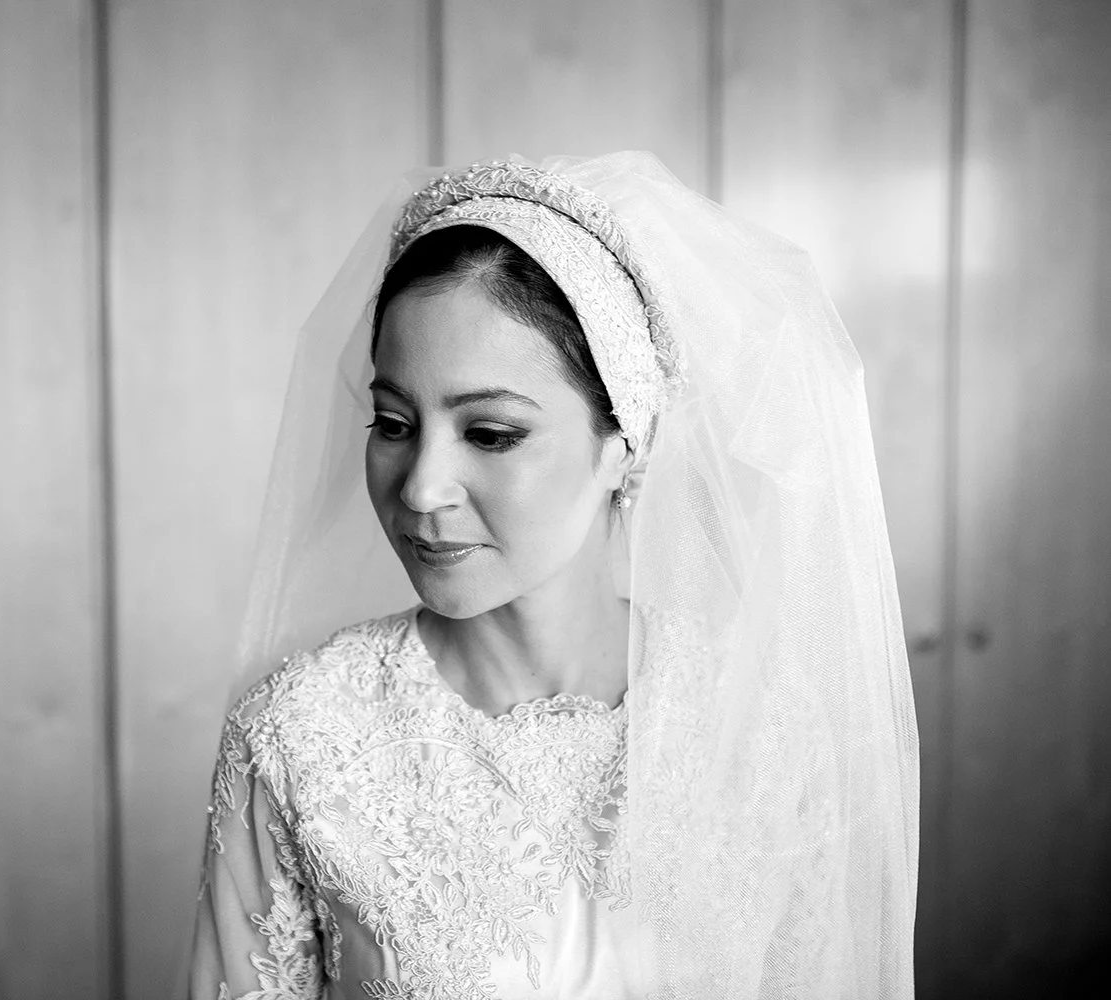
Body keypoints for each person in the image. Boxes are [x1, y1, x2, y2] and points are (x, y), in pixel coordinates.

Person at [188, 153, 919, 999]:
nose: (421, 486)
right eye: (392, 422)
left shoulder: (759, 721)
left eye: (491, 433)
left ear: (622, 447)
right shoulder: (301, 737)